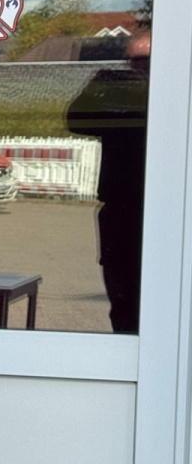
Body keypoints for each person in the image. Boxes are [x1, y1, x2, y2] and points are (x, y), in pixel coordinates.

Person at [67, 31, 150, 333]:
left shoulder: (170, 97)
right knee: (123, 299)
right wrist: (100, 86)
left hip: (163, 210)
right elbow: (76, 120)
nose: (136, 70)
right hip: (120, 208)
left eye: (145, 63)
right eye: (132, 62)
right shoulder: (121, 95)